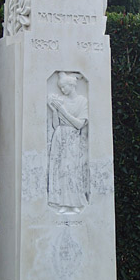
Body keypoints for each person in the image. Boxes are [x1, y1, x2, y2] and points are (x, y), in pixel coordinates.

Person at [47, 72, 89, 214]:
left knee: (73, 170)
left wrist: (62, 111)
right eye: (60, 87)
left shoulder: (82, 101)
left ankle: (75, 202)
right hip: (60, 137)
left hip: (73, 139)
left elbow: (79, 124)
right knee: (61, 171)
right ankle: (63, 202)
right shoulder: (60, 101)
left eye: (64, 87)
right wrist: (54, 111)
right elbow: (55, 125)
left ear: (71, 85)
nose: (62, 90)